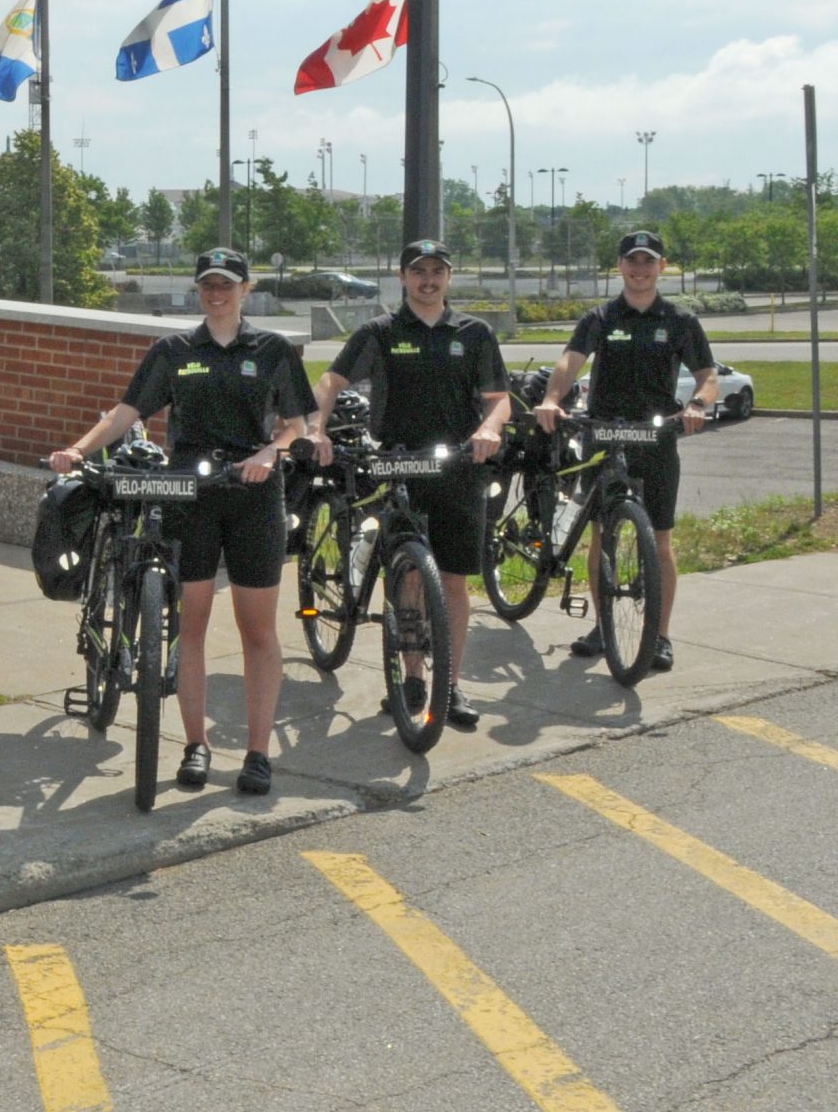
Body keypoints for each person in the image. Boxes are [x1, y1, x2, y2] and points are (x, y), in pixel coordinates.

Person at [47, 248, 310, 796]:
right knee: (189, 627)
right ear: (199, 290)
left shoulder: (272, 349)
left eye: (227, 284)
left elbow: (298, 426)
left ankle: (258, 754)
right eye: (208, 285)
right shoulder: (173, 350)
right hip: (188, 495)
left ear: (245, 289)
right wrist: (77, 449)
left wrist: (270, 452)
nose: (217, 293)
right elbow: (127, 414)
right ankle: (196, 746)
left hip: (254, 497)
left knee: (256, 631)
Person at [312, 240, 511, 729]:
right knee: (410, 575)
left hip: (459, 465)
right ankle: (414, 676)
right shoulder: (379, 332)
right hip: (398, 463)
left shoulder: (475, 332)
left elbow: (499, 398)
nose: (428, 279)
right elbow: (330, 382)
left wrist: (490, 428)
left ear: (449, 277)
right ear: (401, 277)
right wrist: (316, 427)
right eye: (418, 271)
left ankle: (451, 684)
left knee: (455, 581)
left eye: (437, 271)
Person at [533, 229, 717, 672]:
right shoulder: (599, 318)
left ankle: (660, 636)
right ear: (620, 266)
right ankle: (603, 626)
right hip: (604, 433)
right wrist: (552, 400)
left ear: (662, 267)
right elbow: (569, 363)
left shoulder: (679, 321)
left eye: (648, 261)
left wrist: (696, 405)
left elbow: (707, 376)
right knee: (603, 535)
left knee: (660, 540)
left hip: (655, 439)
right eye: (632, 261)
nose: (640, 269)